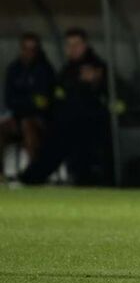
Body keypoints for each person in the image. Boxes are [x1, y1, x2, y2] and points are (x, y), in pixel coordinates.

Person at [19, 28, 112, 185]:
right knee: (49, 137)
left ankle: (35, 176)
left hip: (89, 123)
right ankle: (32, 176)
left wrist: (96, 81)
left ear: (85, 45)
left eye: (76, 44)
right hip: (64, 121)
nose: (72, 49)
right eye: (69, 45)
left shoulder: (97, 67)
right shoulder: (67, 69)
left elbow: (104, 94)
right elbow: (57, 94)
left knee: (64, 140)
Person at [0, 33, 55, 169]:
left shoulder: (45, 70)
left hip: (40, 119)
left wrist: (23, 103)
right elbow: (9, 99)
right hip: (17, 116)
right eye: (26, 48)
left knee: (28, 125)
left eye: (33, 49)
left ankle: (33, 171)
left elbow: (42, 102)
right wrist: (26, 103)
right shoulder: (14, 69)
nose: (29, 52)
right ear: (21, 49)